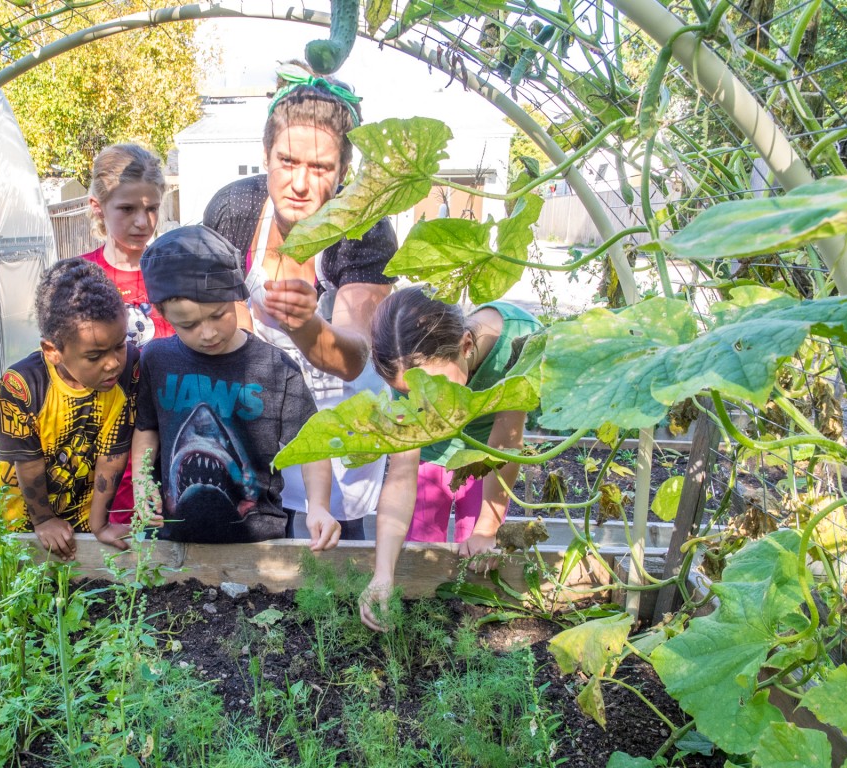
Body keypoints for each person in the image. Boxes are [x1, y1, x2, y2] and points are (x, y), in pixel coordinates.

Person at [204, 62, 397, 539]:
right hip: (262, 415)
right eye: (287, 161)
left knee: (334, 546)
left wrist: (305, 325)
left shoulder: (364, 229)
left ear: (344, 171)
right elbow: (231, 330)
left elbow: (353, 357)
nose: (300, 184)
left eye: (320, 168)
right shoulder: (235, 209)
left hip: (339, 419)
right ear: (266, 154)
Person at [130, 225, 341, 549]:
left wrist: (319, 507)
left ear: (237, 295)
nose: (208, 333)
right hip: (170, 544)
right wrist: (142, 484)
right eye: (188, 324)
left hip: (259, 547)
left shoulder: (276, 367)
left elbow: (314, 447)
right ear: (161, 313)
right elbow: (147, 428)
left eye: (219, 315)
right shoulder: (156, 359)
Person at [358, 286, 542, 631]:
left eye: (433, 388)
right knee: (420, 552)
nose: (425, 402)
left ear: (466, 346)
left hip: (487, 453)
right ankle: (427, 622)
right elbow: (400, 475)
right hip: (431, 454)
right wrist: (382, 574)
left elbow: (506, 444)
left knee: (479, 552)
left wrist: (487, 529)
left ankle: (473, 631)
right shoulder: (405, 367)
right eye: (409, 393)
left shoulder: (519, 340)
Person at [0, 259, 157, 560]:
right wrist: (42, 521)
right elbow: (27, 463)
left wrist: (100, 523)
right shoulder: (22, 385)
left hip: (82, 515)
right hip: (22, 521)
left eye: (119, 345)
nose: (112, 363)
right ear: (53, 351)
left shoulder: (129, 368)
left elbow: (114, 451)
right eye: (94, 356)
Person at [82, 143, 173, 525]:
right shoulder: (81, 277)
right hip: (101, 440)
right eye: (127, 209)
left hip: (165, 433)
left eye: (151, 208)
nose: (142, 221)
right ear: (97, 208)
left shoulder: (172, 270)